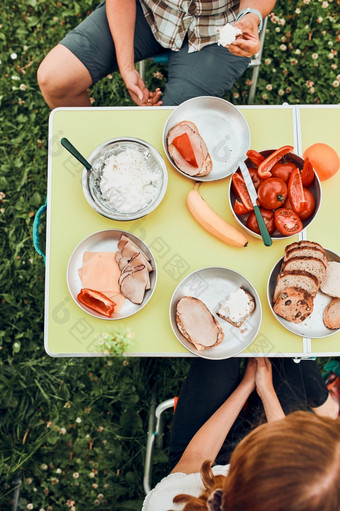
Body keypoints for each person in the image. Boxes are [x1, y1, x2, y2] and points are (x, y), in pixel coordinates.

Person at [142, 357, 339, 510]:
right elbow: (288, 451)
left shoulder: (168, 504)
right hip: (271, 455)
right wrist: (266, 391)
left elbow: (198, 457)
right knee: (284, 353)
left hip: (200, 467)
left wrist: (245, 387)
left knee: (222, 345)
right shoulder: (310, 491)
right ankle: (326, 406)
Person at [37, 0, 276, 109]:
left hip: (221, 26)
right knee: (56, 79)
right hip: (150, 12)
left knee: (170, 131)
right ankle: (89, 151)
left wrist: (250, 17)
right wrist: (127, 66)